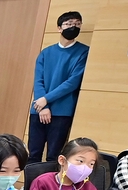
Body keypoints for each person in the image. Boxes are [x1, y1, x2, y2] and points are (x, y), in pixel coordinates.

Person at [28, 11, 89, 163]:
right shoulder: (46, 52)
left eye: (77, 24)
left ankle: (49, 187)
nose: (73, 27)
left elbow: (72, 82)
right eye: (69, 24)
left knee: (54, 156)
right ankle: (31, 186)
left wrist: (45, 100)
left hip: (62, 111)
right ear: (59, 28)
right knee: (33, 154)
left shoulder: (84, 51)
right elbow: (38, 80)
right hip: (38, 109)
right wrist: (42, 106)